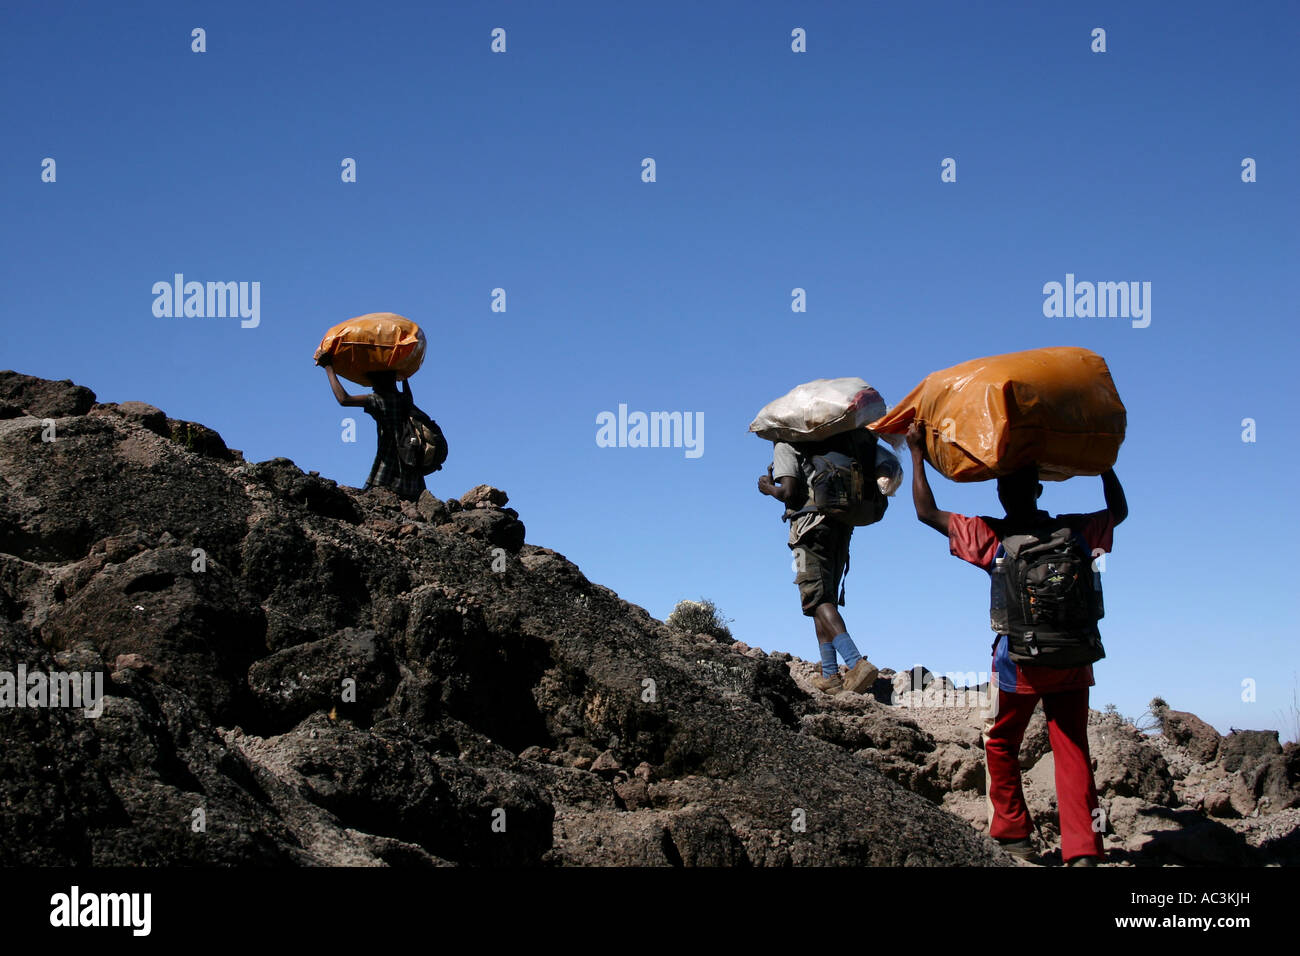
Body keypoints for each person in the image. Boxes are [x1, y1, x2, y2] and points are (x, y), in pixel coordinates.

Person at [904, 423, 1127, 866]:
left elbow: (927, 513)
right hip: (1074, 658)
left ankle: (1013, 836)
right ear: (1040, 491)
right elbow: (1118, 510)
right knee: (1072, 746)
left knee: (1001, 741)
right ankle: (1083, 851)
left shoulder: (991, 537)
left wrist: (916, 453)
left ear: (1002, 496)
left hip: (1018, 665)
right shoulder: (1075, 532)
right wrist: (1104, 465)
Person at [757, 431, 888, 696]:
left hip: (808, 531)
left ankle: (855, 663)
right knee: (824, 600)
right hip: (839, 527)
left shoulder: (785, 445)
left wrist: (768, 487)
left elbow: (789, 492)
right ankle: (830, 675)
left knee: (816, 600)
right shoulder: (829, 442)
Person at [322, 361, 426, 502]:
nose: (372, 387)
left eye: (373, 382)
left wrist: (329, 368)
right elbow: (407, 393)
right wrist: (404, 373)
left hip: (386, 475)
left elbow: (344, 399)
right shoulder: (405, 400)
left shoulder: (379, 401)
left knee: (372, 503)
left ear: (380, 381)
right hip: (413, 480)